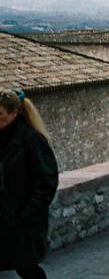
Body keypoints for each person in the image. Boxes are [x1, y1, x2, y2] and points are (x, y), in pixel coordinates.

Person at [0, 89, 59, 279]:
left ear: (14, 113)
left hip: (22, 222)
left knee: (27, 269)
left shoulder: (32, 140)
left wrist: (25, 215)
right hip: (2, 218)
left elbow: (47, 183)